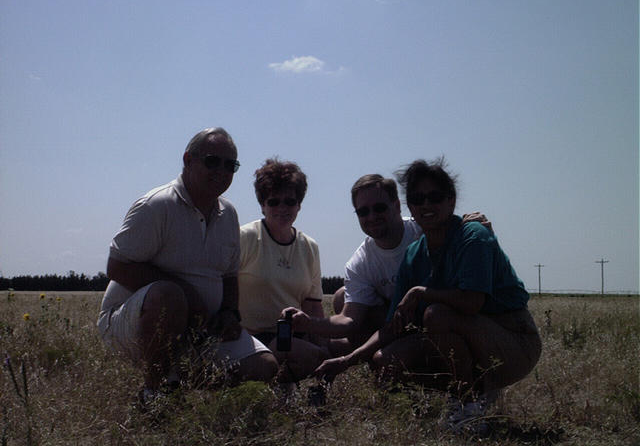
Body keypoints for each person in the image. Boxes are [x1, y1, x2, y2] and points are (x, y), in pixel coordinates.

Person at [315, 158, 541, 432]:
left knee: (436, 314)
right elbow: (391, 327)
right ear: (409, 205)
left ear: (451, 201)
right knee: (384, 360)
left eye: (434, 197)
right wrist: (347, 360)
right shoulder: (414, 253)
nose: (426, 205)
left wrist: (422, 292)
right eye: (418, 199)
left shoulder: (473, 235)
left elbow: (472, 303)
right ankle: (468, 391)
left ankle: (469, 405)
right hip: (464, 337)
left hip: (513, 341)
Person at [97, 128, 278, 400]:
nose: (221, 170)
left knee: (265, 367)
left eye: (230, 165)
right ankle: (153, 393)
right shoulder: (156, 206)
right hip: (130, 323)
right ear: (188, 160)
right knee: (169, 296)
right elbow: (117, 267)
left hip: (203, 328)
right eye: (212, 161)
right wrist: (186, 295)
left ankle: (183, 383)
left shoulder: (228, 214)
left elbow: (229, 275)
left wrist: (229, 313)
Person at [283, 174, 489, 356]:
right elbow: (349, 320)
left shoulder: (424, 230)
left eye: (379, 208)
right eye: (363, 212)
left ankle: (472, 381)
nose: (371, 217)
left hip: (444, 317)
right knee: (341, 298)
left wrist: (472, 222)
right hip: (401, 324)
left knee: (435, 315)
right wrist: (307, 323)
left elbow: (459, 235)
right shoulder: (360, 262)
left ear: (397, 206)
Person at [238, 158, 328, 381]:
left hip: (293, 334)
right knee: (309, 355)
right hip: (251, 337)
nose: (282, 208)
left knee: (337, 347)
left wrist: (326, 349)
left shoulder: (309, 247)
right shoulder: (246, 237)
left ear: (299, 204)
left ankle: (283, 387)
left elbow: (313, 305)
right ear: (262, 204)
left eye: (290, 201)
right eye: (273, 201)